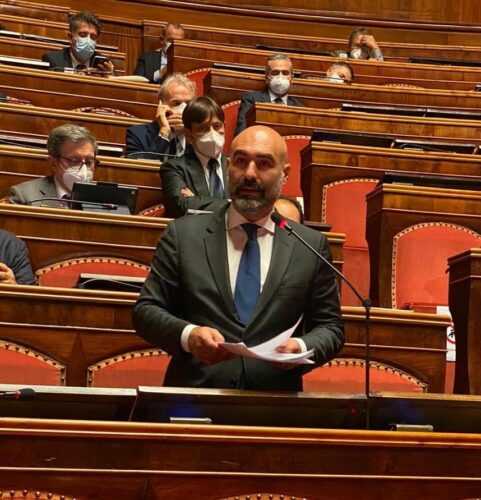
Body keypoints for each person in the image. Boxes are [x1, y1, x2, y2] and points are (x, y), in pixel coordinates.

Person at [133, 125, 344, 391]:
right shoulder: (183, 235)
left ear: (285, 174)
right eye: (241, 161)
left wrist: (301, 346)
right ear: (229, 166)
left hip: (276, 402)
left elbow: (331, 328)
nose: (250, 174)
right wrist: (189, 335)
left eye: (264, 164)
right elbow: (146, 311)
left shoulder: (309, 246)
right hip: (195, 398)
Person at [161, 96, 230, 218]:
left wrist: (196, 200)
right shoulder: (174, 168)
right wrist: (232, 205)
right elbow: (181, 206)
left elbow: (252, 207)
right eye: (202, 128)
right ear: (188, 134)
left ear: (224, 127)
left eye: (217, 126)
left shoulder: (236, 166)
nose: (212, 134)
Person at [9, 124, 97, 207]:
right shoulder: (24, 196)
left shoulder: (103, 199)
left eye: (89, 162)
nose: (84, 170)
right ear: (53, 163)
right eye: (74, 161)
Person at [125, 73, 195, 159]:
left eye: (188, 104)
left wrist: (190, 137)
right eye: (176, 103)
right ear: (161, 104)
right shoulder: (137, 134)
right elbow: (142, 166)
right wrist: (164, 133)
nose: (183, 110)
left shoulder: (196, 137)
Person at [234, 54, 304, 136]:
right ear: (267, 77)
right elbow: (241, 134)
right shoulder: (251, 99)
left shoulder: (299, 108)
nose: (280, 77)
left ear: (291, 78)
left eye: (285, 73)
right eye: (275, 73)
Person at [42, 11, 114, 74]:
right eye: (83, 35)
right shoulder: (53, 60)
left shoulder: (103, 64)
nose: (88, 40)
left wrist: (109, 76)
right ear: (70, 37)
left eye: (93, 37)